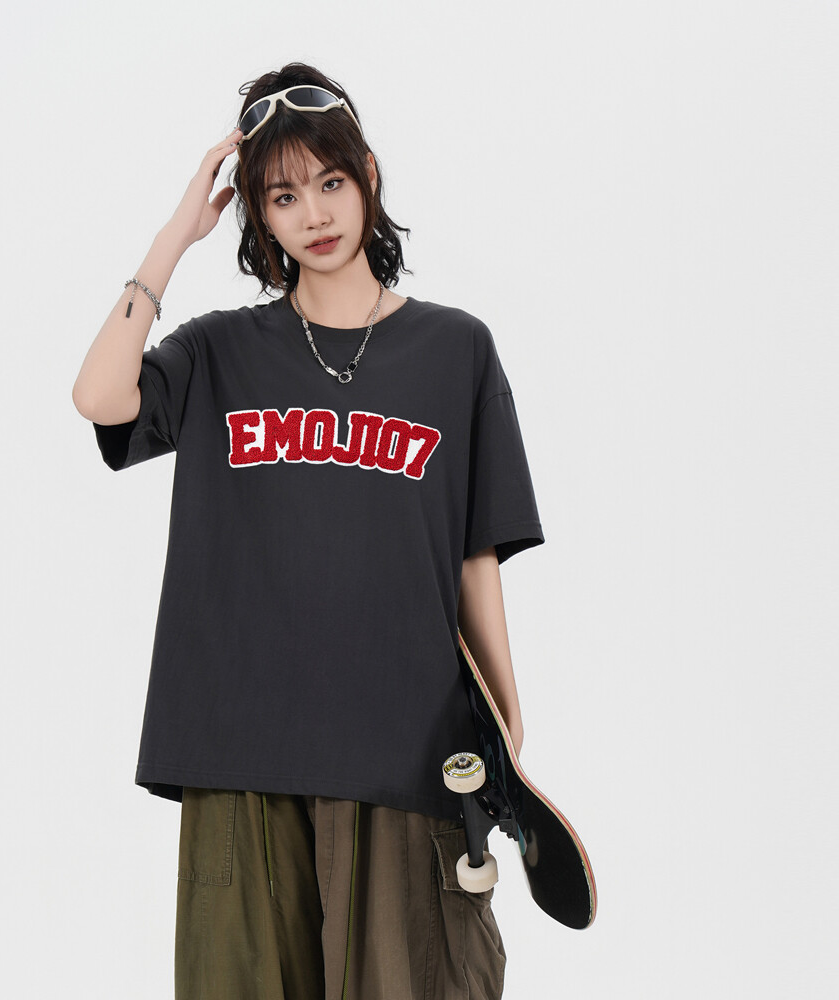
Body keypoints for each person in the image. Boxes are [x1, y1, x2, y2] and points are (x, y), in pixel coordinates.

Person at [72, 61, 545, 1000]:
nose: (315, 214)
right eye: (283, 196)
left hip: (402, 746)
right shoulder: (218, 351)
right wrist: (174, 237)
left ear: (367, 174)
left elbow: (474, 555)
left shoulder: (456, 349)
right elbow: (99, 396)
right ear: (258, 217)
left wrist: (506, 720)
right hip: (237, 749)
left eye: (330, 182)